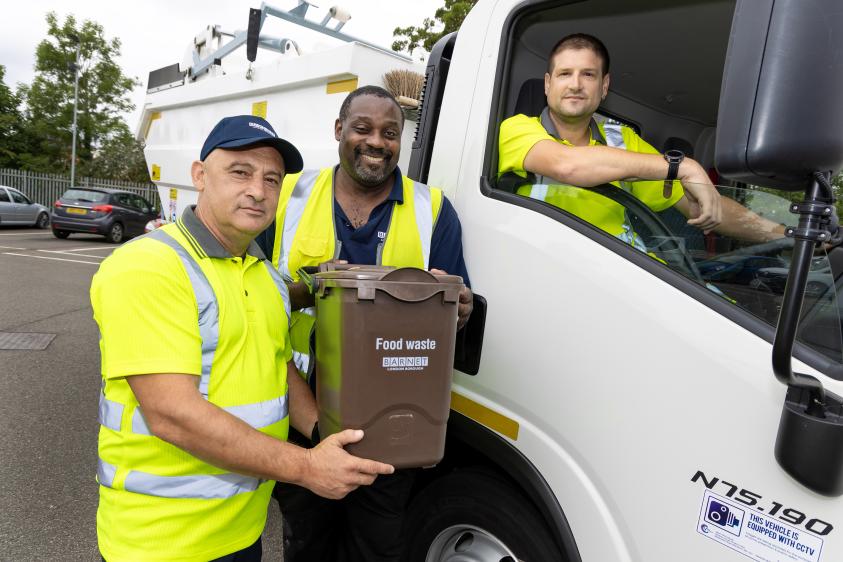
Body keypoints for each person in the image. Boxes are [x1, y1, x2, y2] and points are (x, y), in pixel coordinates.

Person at [90, 115, 394, 562]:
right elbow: (172, 414)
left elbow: (278, 364)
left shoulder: (264, 275)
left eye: (272, 179)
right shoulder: (148, 267)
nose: (259, 190)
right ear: (199, 176)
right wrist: (308, 467)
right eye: (240, 172)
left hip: (242, 533)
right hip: (160, 542)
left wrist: (323, 431)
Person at [257, 85, 472, 562]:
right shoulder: (288, 196)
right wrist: (311, 290)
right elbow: (248, 294)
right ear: (339, 130)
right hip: (302, 406)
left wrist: (460, 308)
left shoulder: (433, 210)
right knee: (307, 539)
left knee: (377, 545)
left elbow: (457, 308)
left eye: (390, 133)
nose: (377, 141)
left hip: (394, 413)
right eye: (363, 128)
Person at [499, 33, 786, 249]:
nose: (575, 84)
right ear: (548, 84)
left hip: (627, 272)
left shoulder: (623, 142)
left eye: (588, 74)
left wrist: (785, 235)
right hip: (552, 267)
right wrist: (681, 165)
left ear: (604, 86)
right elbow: (567, 166)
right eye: (565, 74)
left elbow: (703, 206)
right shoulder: (518, 130)